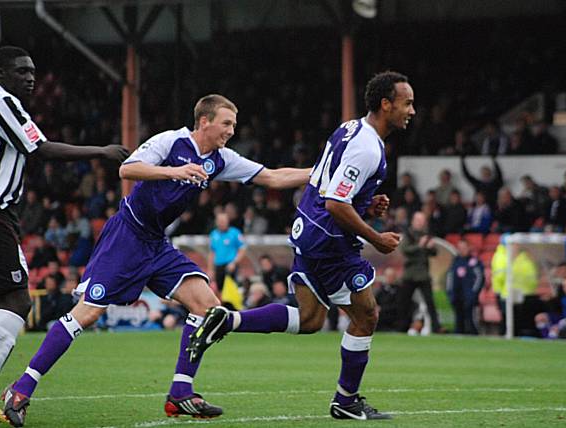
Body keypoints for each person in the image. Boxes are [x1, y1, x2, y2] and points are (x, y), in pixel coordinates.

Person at [2, 93, 310, 426]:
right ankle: (20, 389)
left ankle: (180, 393)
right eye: (226, 123)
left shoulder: (221, 159)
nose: (231, 131)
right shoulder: (170, 141)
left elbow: (274, 177)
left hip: (156, 244)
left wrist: (323, 173)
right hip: (127, 236)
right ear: (204, 121)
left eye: (233, 125)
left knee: (208, 306)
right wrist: (174, 171)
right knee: (87, 314)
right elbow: (127, 168)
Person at [187, 71, 414, 420]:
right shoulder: (369, 148)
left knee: (310, 319)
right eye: (407, 103)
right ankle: (347, 401)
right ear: (386, 104)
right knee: (367, 315)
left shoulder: (350, 128)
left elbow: (329, 183)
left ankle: (227, 320)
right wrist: (376, 237)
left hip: (307, 228)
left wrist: (365, 201)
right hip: (330, 240)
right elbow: (337, 204)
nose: (411, 110)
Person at [0, 46, 128, 378]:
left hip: (6, 215)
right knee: (16, 300)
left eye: (32, 72)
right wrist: (101, 151)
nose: (30, 78)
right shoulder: (3, 101)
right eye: (21, 71)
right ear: (0, 74)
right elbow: (41, 149)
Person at [397, 211, 442, 333]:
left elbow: (434, 253)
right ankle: (401, 327)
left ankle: (436, 327)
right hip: (410, 274)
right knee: (404, 303)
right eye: (419, 220)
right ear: (413, 221)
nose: (421, 223)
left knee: (430, 303)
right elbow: (405, 250)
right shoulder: (408, 234)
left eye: (422, 221)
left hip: (423, 274)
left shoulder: (426, 235)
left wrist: (431, 247)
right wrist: (420, 246)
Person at [446, 239, 484, 334]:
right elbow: (450, 278)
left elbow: (480, 279)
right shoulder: (455, 262)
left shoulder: (474, 262)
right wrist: (450, 293)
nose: (462, 250)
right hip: (457, 297)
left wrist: (473, 294)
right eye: (460, 248)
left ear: (469, 248)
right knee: (458, 321)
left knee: (471, 320)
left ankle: (475, 337)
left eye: (464, 248)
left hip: (469, 298)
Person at [207, 212, 245, 292]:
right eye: (219, 221)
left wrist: (234, 263)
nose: (221, 223)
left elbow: (242, 250)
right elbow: (212, 253)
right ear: (216, 222)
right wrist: (210, 269)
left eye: (223, 221)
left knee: (232, 289)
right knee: (220, 289)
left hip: (230, 265)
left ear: (228, 221)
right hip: (218, 266)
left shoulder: (235, 233)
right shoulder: (213, 234)